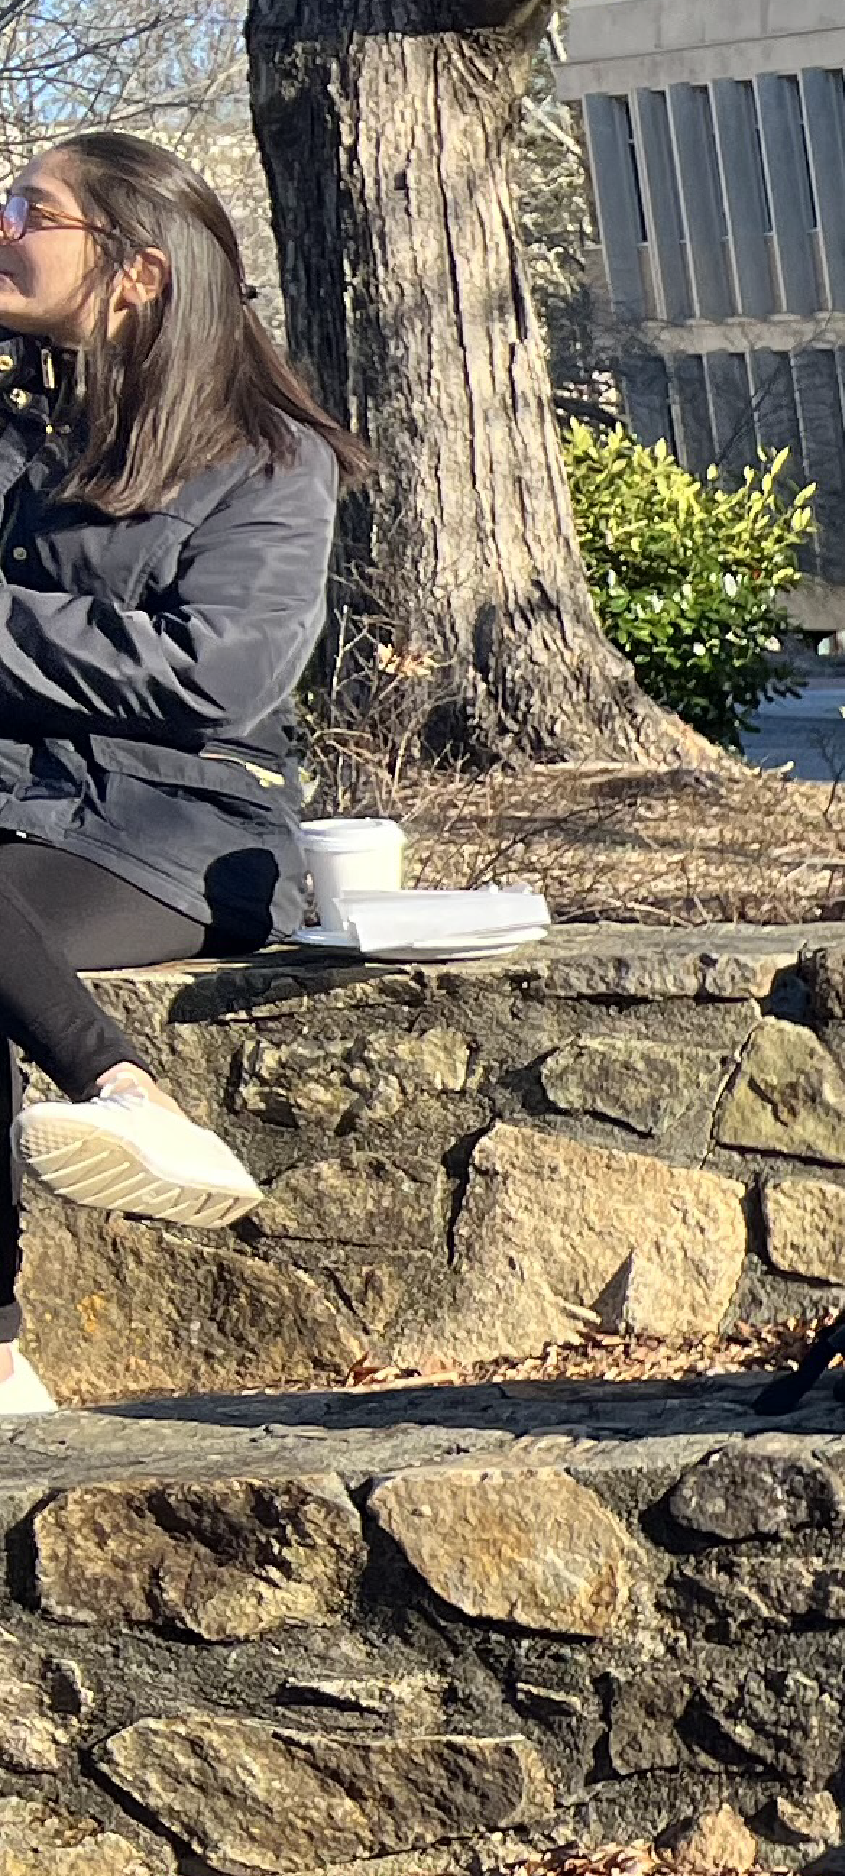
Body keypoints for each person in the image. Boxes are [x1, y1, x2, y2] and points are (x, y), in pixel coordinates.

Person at [0, 133, 346, 1416]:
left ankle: (119, 1093)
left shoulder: (265, 457)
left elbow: (223, 678)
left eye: (31, 208)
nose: (3, 222)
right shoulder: (20, 430)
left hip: (180, 830)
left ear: (136, 271)